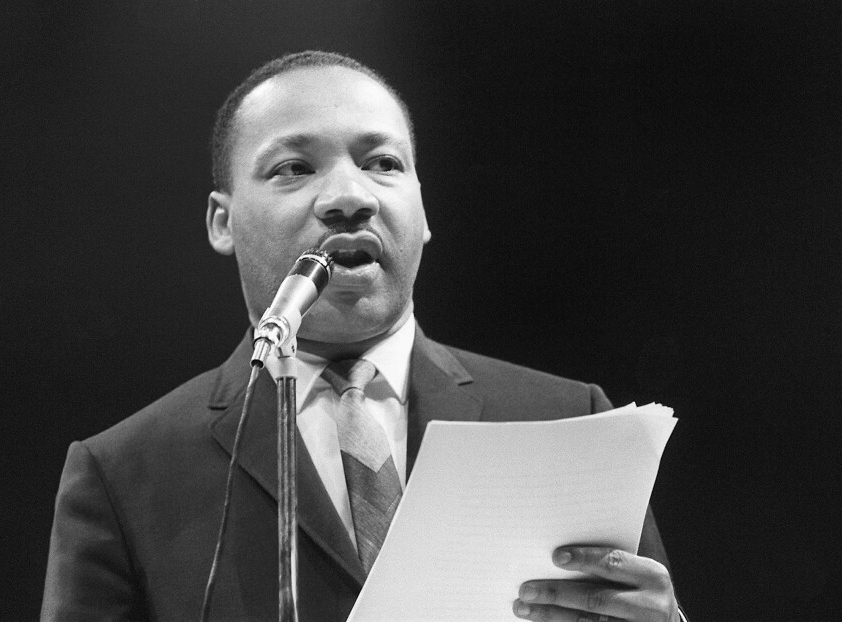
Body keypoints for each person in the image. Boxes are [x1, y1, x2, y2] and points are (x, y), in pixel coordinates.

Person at [42, 51, 686, 622]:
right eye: (294, 167)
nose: (350, 197)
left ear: (423, 208)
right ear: (222, 221)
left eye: (383, 163)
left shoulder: (567, 420)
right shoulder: (125, 474)